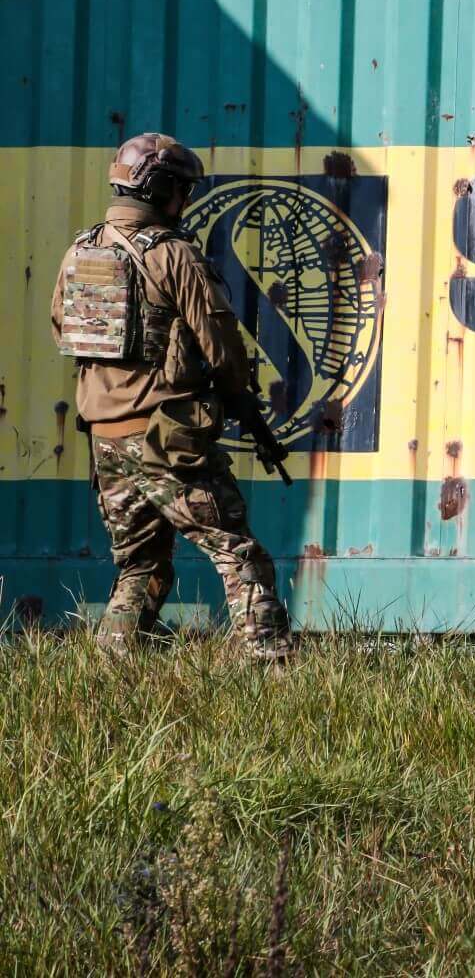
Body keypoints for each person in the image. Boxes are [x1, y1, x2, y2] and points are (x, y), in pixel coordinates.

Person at [50, 132, 293, 660]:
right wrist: (236, 396)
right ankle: (270, 660)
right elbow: (221, 346)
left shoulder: (81, 251)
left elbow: (61, 329)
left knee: (140, 564)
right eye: (182, 189)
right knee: (237, 552)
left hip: (105, 439)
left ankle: (112, 664)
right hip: (165, 436)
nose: (185, 200)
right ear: (160, 189)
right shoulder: (174, 255)